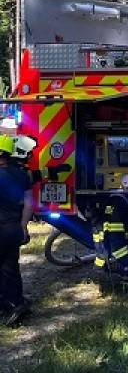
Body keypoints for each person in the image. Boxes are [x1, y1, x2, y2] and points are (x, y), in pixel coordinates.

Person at [0, 135, 34, 326]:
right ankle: (16, 303)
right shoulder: (21, 174)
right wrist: (23, 226)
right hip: (14, 228)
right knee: (10, 267)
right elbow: (28, 204)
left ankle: (9, 306)